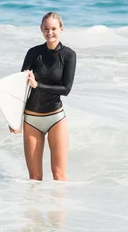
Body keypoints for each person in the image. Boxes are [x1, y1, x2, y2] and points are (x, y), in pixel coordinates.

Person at [10, 12, 77, 181]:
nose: (50, 32)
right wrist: (13, 119)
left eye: (54, 28)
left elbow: (66, 89)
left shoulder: (68, 55)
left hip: (55, 118)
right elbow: (20, 87)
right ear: (41, 29)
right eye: (46, 28)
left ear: (61, 29)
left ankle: (60, 208)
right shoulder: (33, 53)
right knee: (34, 177)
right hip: (32, 118)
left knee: (59, 175)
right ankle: (33, 208)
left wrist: (37, 84)